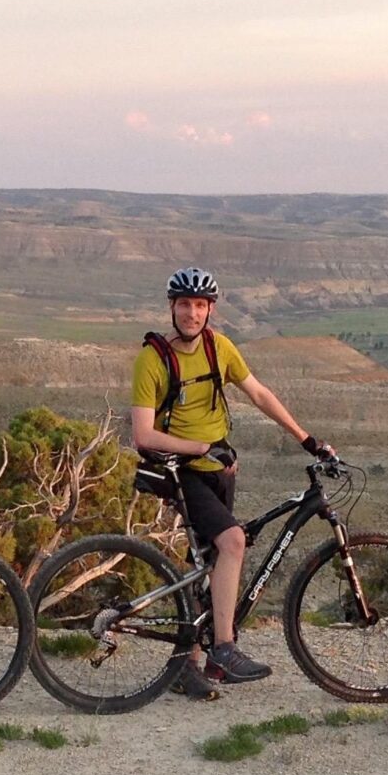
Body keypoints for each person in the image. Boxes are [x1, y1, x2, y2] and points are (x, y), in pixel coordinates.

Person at [129, 268, 333, 695]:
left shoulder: (219, 348)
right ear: (172, 308)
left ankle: (191, 666)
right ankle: (224, 647)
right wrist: (203, 449)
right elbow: (142, 435)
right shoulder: (153, 359)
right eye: (184, 304)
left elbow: (259, 393)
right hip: (180, 470)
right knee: (233, 541)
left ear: (210, 310)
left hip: (219, 468)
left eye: (199, 305)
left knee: (210, 560)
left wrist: (306, 439)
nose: (191, 313)